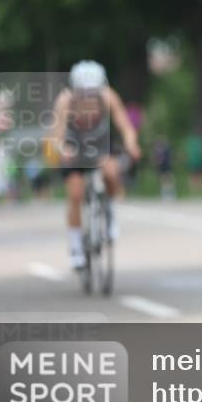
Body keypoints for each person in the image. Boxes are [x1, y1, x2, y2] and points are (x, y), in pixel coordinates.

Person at [52, 61, 141, 271]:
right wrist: (63, 149)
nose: (88, 98)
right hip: (74, 147)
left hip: (100, 145)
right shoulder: (65, 101)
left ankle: (108, 211)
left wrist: (131, 144)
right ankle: (76, 246)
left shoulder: (108, 97)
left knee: (111, 172)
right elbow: (56, 135)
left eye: (92, 93)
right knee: (75, 194)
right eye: (84, 93)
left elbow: (126, 127)